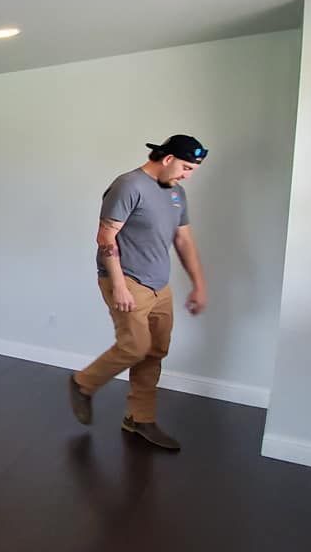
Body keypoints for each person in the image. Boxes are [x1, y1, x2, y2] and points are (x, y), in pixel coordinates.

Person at [68, 135, 209, 451]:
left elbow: (183, 241)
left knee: (155, 350)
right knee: (135, 346)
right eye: (186, 167)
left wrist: (199, 284)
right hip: (126, 278)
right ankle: (82, 383)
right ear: (168, 158)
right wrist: (118, 284)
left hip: (160, 284)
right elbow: (106, 236)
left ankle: (139, 418)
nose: (188, 175)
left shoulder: (177, 194)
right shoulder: (128, 185)